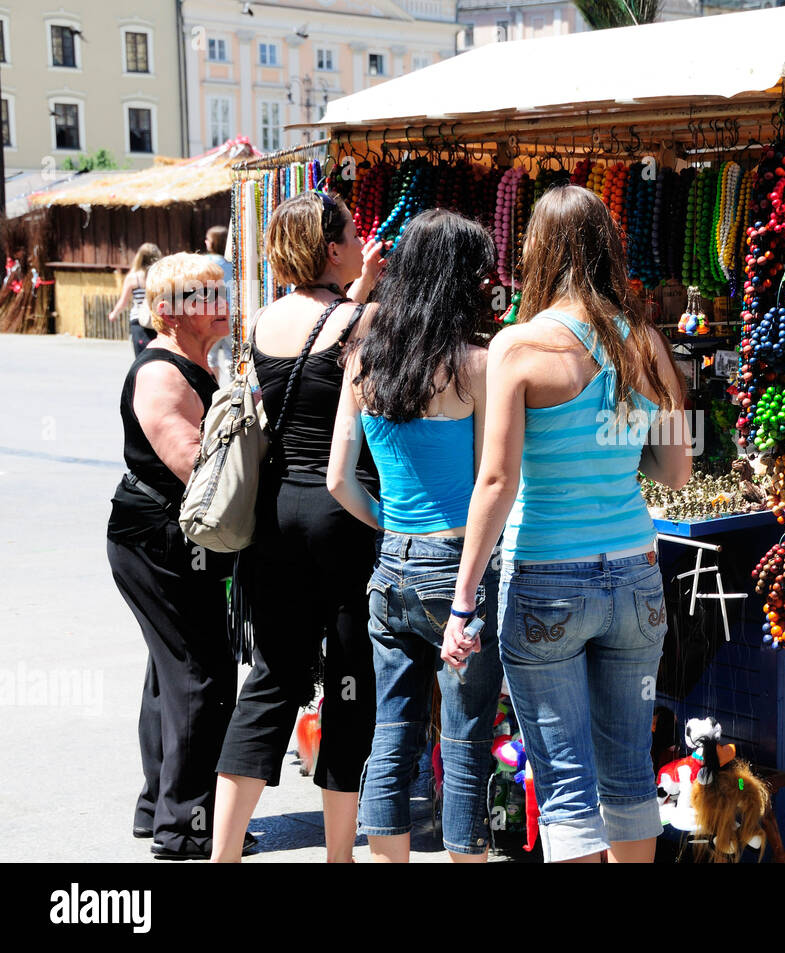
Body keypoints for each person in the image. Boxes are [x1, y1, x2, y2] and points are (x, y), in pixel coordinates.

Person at [442, 185, 692, 863]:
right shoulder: (645, 343)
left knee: (567, 786)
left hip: (547, 574)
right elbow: (676, 471)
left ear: (536, 251)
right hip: (636, 575)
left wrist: (463, 601)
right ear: (610, 246)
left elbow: (497, 481)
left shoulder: (518, 346)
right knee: (629, 770)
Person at [211, 190, 384, 863]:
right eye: (350, 232)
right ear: (332, 247)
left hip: (275, 514)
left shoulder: (262, 321)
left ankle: (223, 853)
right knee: (348, 681)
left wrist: (358, 288)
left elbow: (313, 355)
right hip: (340, 515)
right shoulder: (362, 322)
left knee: (271, 681)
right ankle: (340, 855)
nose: (359, 237)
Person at [327, 209, 502, 862]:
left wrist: (388, 524)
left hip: (390, 566)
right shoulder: (474, 364)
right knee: (461, 738)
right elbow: (492, 482)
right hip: (458, 567)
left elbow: (338, 479)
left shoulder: (364, 354)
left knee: (392, 730)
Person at [106, 253, 244, 859]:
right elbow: (197, 469)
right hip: (158, 540)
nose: (221, 302)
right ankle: (185, 826)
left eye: (219, 291)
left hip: (161, 536)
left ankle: (157, 805)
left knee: (171, 672)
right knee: (200, 674)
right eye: (205, 295)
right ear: (169, 312)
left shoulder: (191, 362)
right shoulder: (161, 375)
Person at [109, 243, 163, 355]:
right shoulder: (160, 276)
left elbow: (123, 301)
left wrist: (114, 313)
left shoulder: (133, 278)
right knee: (157, 356)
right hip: (158, 320)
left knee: (141, 357)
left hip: (139, 320)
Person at [204, 225, 235, 387]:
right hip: (231, 310)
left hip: (211, 311)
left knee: (211, 354)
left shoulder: (205, 263)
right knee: (231, 353)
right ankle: (233, 390)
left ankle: (213, 390)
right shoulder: (233, 264)